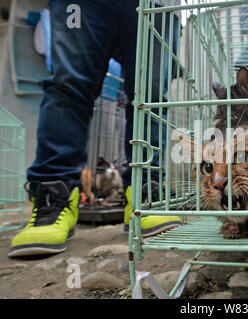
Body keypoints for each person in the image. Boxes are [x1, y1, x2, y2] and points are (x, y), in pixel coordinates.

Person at [8, 0, 182, 258]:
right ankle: (54, 198)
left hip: (156, 3)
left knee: (150, 94)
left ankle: (146, 194)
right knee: (67, 86)